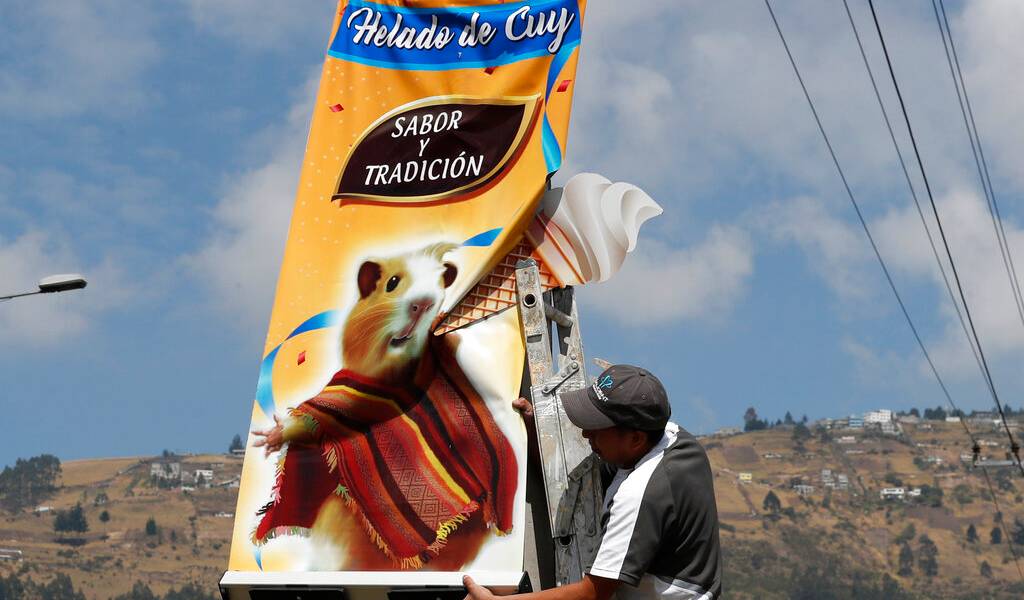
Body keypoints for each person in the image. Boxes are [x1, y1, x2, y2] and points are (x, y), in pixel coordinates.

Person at [466, 364, 721, 600]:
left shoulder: (640, 494)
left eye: (598, 427)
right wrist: (534, 437)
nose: (586, 433)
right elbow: (582, 483)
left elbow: (592, 593)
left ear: (635, 439)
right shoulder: (672, 437)